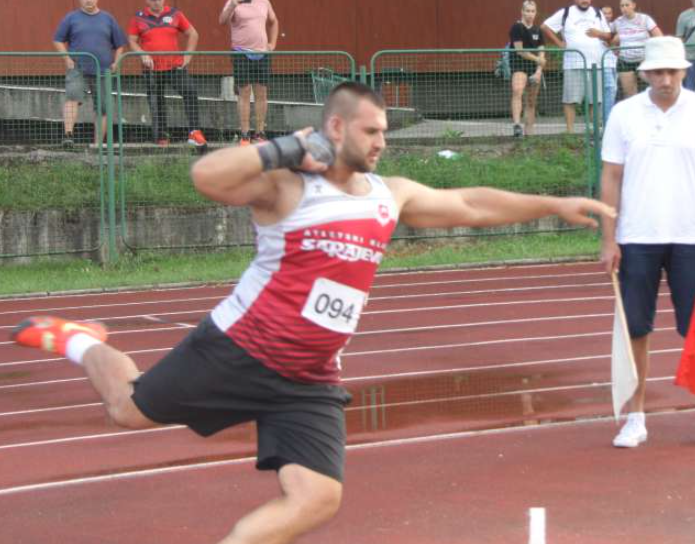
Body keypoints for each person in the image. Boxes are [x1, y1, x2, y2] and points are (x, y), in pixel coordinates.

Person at [11, 81, 614, 544]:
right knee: (126, 409)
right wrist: (285, 147)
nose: (383, 142)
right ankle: (81, 340)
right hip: (236, 352)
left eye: (385, 134)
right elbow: (205, 175)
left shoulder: (389, 195)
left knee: (317, 497)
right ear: (336, 126)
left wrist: (553, 203)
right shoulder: (288, 186)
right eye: (373, 131)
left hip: (309, 377)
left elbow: (470, 203)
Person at [599, 36, 695, 450]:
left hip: (691, 239)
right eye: (656, 72)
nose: (664, 79)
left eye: (671, 71)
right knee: (636, 330)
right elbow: (610, 178)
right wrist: (609, 239)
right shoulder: (624, 114)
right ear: (645, 74)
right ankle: (635, 417)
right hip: (636, 237)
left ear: (684, 71)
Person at [128, 0, 206, 149]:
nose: (156, 2)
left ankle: (194, 132)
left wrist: (188, 55)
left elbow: (193, 34)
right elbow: (132, 41)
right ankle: (161, 137)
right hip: (151, 68)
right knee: (156, 102)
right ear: (147, 0)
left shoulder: (175, 14)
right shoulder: (138, 18)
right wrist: (143, 54)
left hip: (174, 66)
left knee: (190, 92)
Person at [53, 0, 127, 147]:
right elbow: (57, 40)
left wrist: (117, 61)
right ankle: (68, 136)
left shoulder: (108, 18)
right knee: (72, 98)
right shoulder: (71, 18)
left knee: (103, 107)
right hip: (77, 68)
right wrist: (67, 59)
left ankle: (98, 145)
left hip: (103, 70)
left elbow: (120, 44)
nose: (88, 0)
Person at [219, 0, 280, 146]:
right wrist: (232, 5)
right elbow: (222, 20)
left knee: (262, 92)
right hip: (241, 52)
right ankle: (245, 133)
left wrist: (272, 43)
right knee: (244, 92)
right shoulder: (234, 2)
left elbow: (274, 21)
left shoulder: (264, 1)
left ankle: (260, 132)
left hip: (262, 53)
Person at [541, 0, 610, 133]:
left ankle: (594, 133)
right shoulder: (566, 12)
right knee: (570, 99)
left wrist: (599, 34)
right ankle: (570, 133)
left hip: (595, 64)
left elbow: (608, 35)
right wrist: (560, 44)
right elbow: (545, 26)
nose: (584, 0)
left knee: (595, 101)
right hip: (573, 64)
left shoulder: (598, 13)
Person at [612, 0, 663, 101]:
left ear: (633, 5)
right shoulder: (618, 21)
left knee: (652, 90)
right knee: (630, 95)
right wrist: (615, 49)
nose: (624, 8)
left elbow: (659, 37)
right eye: (622, 6)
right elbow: (610, 37)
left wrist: (652, 54)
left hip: (643, 61)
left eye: (627, 5)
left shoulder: (645, 19)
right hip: (625, 61)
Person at [508, 0, 546, 137]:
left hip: (534, 68)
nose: (530, 14)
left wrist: (539, 70)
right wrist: (538, 59)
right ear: (522, 11)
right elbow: (520, 50)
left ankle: (529, 132)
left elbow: (542, 50)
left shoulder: (538, 30)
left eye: (532, 11)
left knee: (531, 100)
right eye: (527, 11)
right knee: (517, 91)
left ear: (536, 13)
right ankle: (517, 125)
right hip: (519, 65)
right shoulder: (516, 27)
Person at [599, 5, 619, 126]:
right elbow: (607, 42)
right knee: (610, 89)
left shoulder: (614, 26)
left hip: (614, 62)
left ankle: (608, 119)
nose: (607, 15)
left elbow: (615, 43)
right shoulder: (598, 27)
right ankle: (607, 122)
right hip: (603, 63)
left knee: (613, 90)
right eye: (604, 13)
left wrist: (616, 47)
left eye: (609, 13)